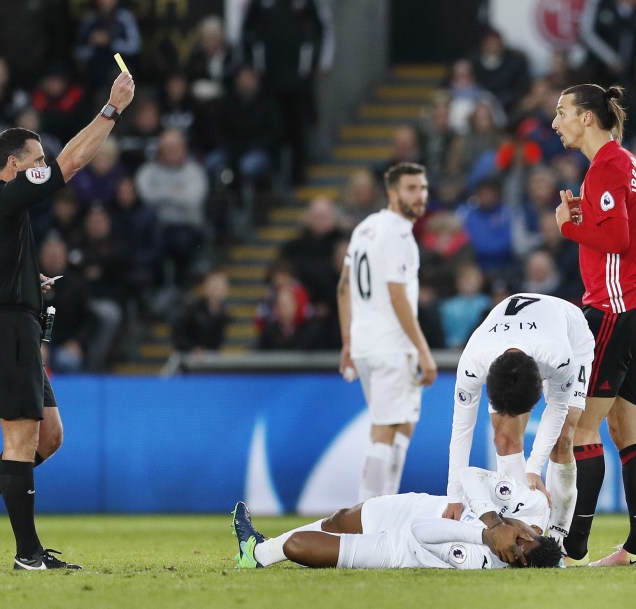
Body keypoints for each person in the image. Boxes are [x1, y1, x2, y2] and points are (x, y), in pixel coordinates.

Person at [0, 71, 135, 571]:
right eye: (35, 161)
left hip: (8, 322)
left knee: (48, 436)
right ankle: (28, 554)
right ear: (13, 166)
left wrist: (20, 283)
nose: (43, 167)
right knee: (21, 440)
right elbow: (71, 161)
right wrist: (111, 109)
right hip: (8, 331)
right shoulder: (7, 198)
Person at [552, 83, 636, 567]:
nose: (556, 122)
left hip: (615, 310)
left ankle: (572, 547)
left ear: (588, 119)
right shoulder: (630, 164)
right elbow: (623, 230)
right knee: (629, 430)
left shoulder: (605, 167)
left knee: (580, 430)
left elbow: (615, 237)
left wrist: (567, 225)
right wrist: (585, 221)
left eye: (562, 113)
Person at [442, 293, 595, 556]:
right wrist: (453, 497)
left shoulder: (558, 356)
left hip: (572, 332)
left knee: (564, 437)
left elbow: (557, 407)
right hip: (511, 338)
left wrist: (534, 467)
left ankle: (559, 541)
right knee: (504, 439)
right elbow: (462, 428)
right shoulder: (473, 362)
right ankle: (521, 527)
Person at [231, 466, 560, 570]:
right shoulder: (532, 506)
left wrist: (485, 537)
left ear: (518, 564)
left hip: (404, 549)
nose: (512, 544)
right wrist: (493, 521)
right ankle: (254, 551)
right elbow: (470, 475)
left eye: (513, 553)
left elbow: (420, 533)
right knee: (341, 519)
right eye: (519, 539)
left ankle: (258, 554)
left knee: (297, 545)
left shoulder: (483, 560)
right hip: (423, 506)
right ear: (531, 534)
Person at [337, 162, 438, 501]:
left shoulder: (365, 227)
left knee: (401, 427)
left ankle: (383, 508)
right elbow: (397, 296)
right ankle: (365, 516)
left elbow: (343, 287)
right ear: (393, 193)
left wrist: (349, 342)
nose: (420, 195)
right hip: (392, 346)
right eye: (411, 188)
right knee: (384, 431)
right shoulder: (398, 233)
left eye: (423, 188)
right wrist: (423, 351)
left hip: (367, 344)